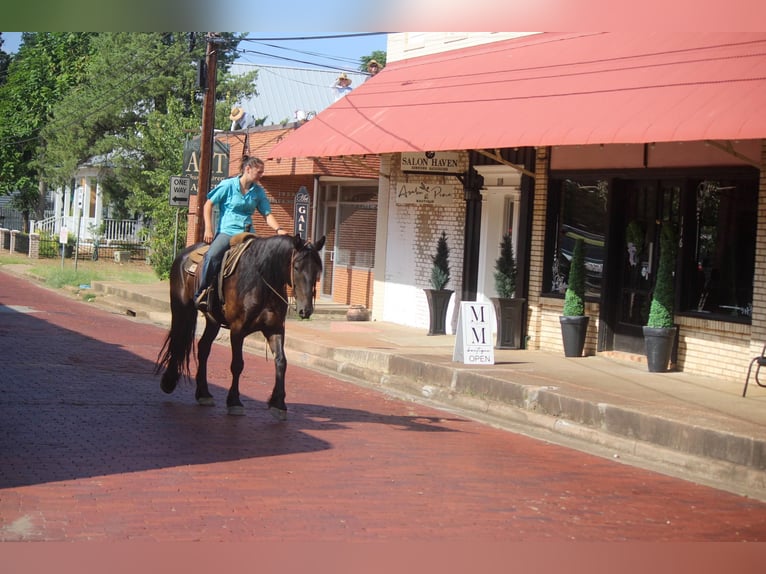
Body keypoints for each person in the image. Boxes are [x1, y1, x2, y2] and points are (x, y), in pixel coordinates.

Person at [194, 156, 287, 311]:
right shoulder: (227, 185)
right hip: (227, 232)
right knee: (212, 256)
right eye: (259, 172)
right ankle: (203, 292)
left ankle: (264, 297)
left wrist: (278, 229)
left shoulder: (258, 191)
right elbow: (208, 204)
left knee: (266, 259)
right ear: (247, 169)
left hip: (248, 233)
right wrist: (208, 228)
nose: (261, 176)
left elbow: (267, 214)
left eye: (262, 172)